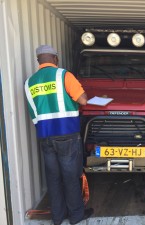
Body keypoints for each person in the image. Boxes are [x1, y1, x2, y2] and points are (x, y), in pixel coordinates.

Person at [24, 45, 93, 225]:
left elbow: (34, 114)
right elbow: (83, 99)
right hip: (67, 134)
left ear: (38, 61)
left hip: (45, 136)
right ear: (55, 59)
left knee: (53, 178)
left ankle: (57, 216)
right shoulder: (64, 75)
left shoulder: (29, 82)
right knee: (70, 176)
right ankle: (76, 216)